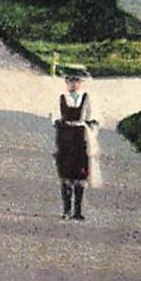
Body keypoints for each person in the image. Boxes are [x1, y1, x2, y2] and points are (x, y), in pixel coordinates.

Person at [53, 67, 99, 220]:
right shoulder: (61, 98)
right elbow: (54, 116)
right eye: (70, 81)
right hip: (65, 137)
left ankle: (78, 210)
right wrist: (58, 123)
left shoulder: (86, 98)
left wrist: (90, 123)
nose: (73, 84)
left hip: (80, 137)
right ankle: (66, 209)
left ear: (81, 83)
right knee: (65, 173)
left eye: (76, 81)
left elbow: (92, 116)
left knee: (80, 173)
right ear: (66, 82)